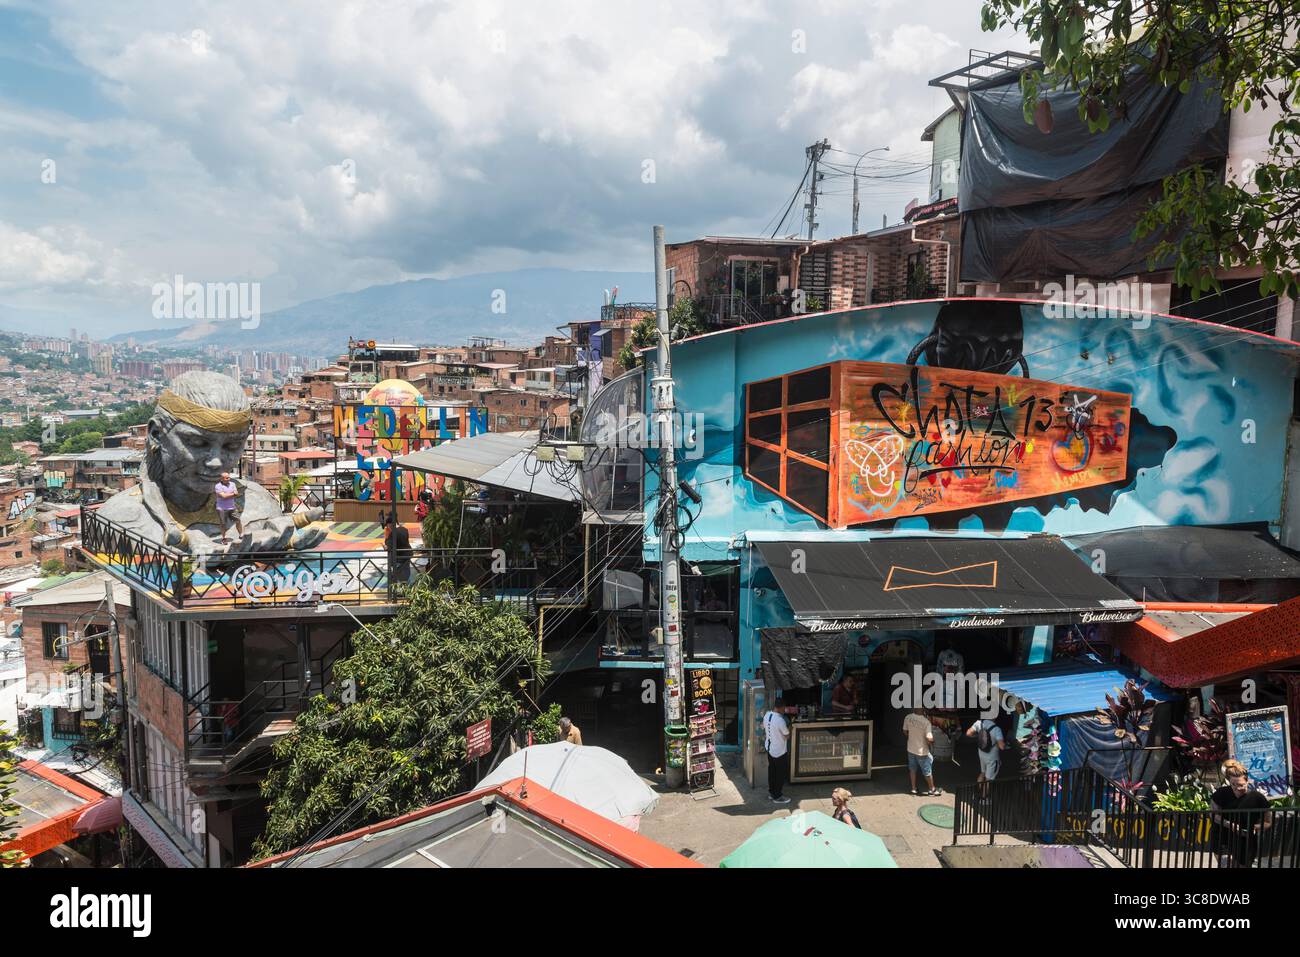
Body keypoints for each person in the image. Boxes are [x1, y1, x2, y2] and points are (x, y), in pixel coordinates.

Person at [1210, 759, 1272, 868]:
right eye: (1233, 784)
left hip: (1245, 841)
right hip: (1223, 837)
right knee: (1226, 865)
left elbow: (1268, 822)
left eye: (1241, 785)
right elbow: (1213, 815)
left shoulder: (1257, 798)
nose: (1237, 788)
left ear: (1247, 781)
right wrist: (1229, 824)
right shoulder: (1221, 793)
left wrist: (1256, 827)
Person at [903, 708, 940, 796]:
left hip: (911, 749)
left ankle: (913, 789)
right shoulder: (926, 722)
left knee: (912, 769)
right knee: (927, 772)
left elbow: (905, 731)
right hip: (922, 752)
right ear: (924, 711)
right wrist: (932, 742)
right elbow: (929, 738)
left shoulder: (908, 717)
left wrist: (911, 738)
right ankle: (932, 790)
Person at [966, 715, 1007, 787]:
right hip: (992, 759)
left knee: (982, 773)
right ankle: (984, 797)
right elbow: (1002, 747)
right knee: (988, 780)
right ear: (995, 716)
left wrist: (977, 736)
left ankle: (978, 792)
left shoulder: (979, 723)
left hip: (981, 754)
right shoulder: (997, 729)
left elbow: (968, 733)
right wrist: (1004, 744)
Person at [763, 707, 791, 804]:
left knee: (772, 771)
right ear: (780, 708)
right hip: (779, 751)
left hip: (770, 748)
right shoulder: (780, 720)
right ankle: (778, 796)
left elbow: (764, 727)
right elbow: (787, 735)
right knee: (780, 774)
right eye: (784, 708)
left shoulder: (767, 715)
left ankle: (772, 793)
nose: (785, 710)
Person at [214, 471, 243, 544]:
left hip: (232, 507)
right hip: (222, 508)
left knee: (238, 520)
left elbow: (236, 493)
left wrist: (228, 494)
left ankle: (241, 535)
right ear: (222, 479)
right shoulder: (218, 486)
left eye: (229, 477)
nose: (228, 479)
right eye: (227, 478)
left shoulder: (232, 484)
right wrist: (233, 494)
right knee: (223, 524)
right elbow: (224, 496)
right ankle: (224, 539)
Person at [384, 513, 413, 583]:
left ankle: (398, 591)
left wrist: (386, 544)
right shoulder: (404, 530)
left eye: (387, 526)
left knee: (398, 575)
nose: (387, 527)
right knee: (406, 573)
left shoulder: (393, 533)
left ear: (390, 524)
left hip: (399, 557)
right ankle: (406, 589)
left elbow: (389, 546)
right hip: (407, 555)